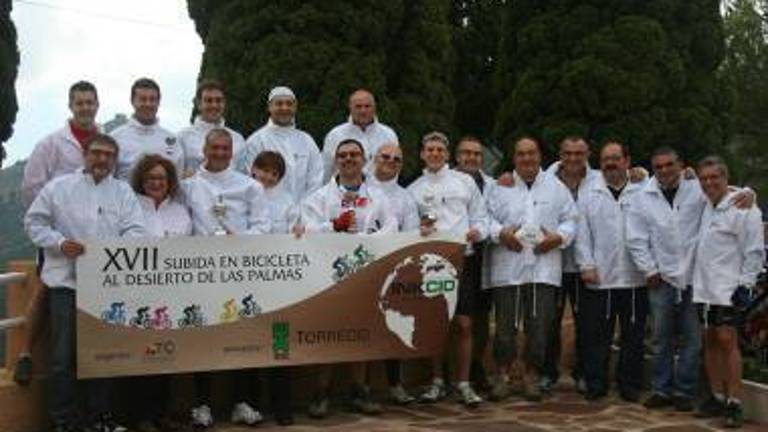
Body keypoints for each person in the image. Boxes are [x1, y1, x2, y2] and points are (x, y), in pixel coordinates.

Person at [25, 133, 146, 432]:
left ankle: (99, 418)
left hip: (107, 287)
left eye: (108, 154)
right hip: (66, 284)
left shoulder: (122, 192)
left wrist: (110, 252)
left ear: (115, 160)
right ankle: (63, 421)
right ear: (85, 155)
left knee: (102, 356)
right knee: (62, 358)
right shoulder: (59, 188)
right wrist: (59, 243)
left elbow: (135, 229)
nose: (102, 159)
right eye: (96, 153)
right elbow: (34, 222)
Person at [626, 147, 754, 412]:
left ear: (680, 165)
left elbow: (724, 190)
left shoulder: (696, 189)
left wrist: (749, 192)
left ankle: (685, 392)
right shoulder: (642, 197)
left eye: (669, 165)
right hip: (660, 278)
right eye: (658, 166)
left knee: (695, 340)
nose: (664, 170)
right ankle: (661, 390)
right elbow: (636, 238)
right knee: (661, 338)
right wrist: (649, 270)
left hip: (695, 280)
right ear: (653, 169)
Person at [181, 128, 270, 428]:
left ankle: (242, 403)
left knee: (242, 339)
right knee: (202, 340)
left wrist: (239, 239)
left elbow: (262, 227)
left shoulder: (250, 187)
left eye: (225, 148)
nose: (219, 153)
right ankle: (201, 404)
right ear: (204, 150)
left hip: (240, 273)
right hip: (201, 274)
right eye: (214, 148)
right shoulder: (188, 187)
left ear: (232, 152)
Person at [302, 139, 397, 419]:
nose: (348, 159)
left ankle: (359, 389)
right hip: (329, 276)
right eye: (342, 155)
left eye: (354, 154)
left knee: (363, 332)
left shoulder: (379, 196)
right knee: (328, 332)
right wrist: (333, 226)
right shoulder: (319, 197)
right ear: (335, 161)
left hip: (367, 271)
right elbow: (305, 229)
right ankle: (321, 391)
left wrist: (364, 241)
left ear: (364, 158)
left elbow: (391, 226)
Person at [16, 80, 100, 386]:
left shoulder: (105, 140)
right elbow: (31, 189)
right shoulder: (50, 143)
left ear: (97, 105)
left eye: (90, 102)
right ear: (70, 106)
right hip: (58, 238)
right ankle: (25, 353)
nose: (85, 108)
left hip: (92, 242)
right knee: (45, 289)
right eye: (80, 103)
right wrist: (55, 229)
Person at [485, 136, 578, 402]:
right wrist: (500, 234)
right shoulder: (499, 187)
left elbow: (571, 220)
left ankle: (531, 376)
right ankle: (501, 376)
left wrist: (558, 238)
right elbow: (484, 218)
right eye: (521, 154)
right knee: (505, 328)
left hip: (543, 268)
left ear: (539, 156)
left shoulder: (556, 188)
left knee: (539, 328)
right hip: (508, 267)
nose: (527, 158)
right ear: (514, 158)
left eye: (532, 153)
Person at [407, 132, 488, 407]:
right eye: (429, 149)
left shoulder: (464, 182)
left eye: (440, 149)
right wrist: (420, 230)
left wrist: (479, 231)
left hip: (462, 261)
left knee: (464, 324)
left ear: (447, 153)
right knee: (435, 325)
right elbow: (408, 228)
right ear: (422, 154)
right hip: (431, 266)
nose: (434, 153)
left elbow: (480, 216)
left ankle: (463, 383)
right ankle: (438, 381)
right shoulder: (414, 189)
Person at [691, 156, 764, 428]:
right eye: (704, 178)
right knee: (709, 340)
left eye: (715, 177)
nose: (709, 183)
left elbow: (754, 251)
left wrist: (744, 286)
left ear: (726, 178)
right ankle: (717, 397)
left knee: (727, 341)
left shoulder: (745, 209)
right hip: (703, 288)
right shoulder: (706, 205)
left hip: (728, 289)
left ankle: (735, 403)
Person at [574, 141, 649, 402]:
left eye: (616, 158)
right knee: (596, 336)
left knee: (633, 336)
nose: (610, 163)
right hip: (600, 278)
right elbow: (582, 235)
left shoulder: (644, 192)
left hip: (635, 278)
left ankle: (629, 384)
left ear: (627, 161)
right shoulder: (589, 195)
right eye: (606, 159)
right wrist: (586, 265)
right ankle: (596, 383)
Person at [127, 155, 191, 432]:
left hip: (170, 295)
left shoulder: (180, 211)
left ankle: (161, 413)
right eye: (151, 178)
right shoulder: (129, 208)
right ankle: (140, 416)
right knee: (140, 356)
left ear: (170, 182)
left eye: (162, 178)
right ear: (142, 180)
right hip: (137, 295)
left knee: (167, 356)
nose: (156, 183)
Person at [249, 150, 299, 426]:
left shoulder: (287, 201)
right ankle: (251, 404)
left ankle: (282, 405)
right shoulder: (241, 193)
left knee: (280, 341)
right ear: (253, 169)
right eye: (263, 170)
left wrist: (299, 232)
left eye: (274, 173)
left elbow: (295, 230)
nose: (267, 177)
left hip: (278, 282)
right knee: (248, 342)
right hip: (247, 280)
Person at [368, 142, 420, 405]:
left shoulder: (405, 197)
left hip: (392, 270)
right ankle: (361, 387)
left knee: (393, 327)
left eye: (396, 159)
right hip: (360, 269)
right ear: (374, 159)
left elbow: (410, 234)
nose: (390, 162)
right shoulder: (359, 188)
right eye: (385, 157)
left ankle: (395, 383)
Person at [452, 136, 495, 395]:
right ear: (456, 157)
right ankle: (450, 371)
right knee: (454, 316)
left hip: (485, 255)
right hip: (456, 255)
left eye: (477, 154)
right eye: (466, 153)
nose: (471, 158)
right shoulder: (446, 181)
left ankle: (476, 366)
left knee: (480, 315)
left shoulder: (494, 184)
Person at [241, 86, 323, 201]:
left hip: (303, 214)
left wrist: (303, 210)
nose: (284, 108)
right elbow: (250, 179)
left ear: (295, 107)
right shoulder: (256, 141)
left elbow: (316, 179)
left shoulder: (307, 141)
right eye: (279, 104)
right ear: (269, 107)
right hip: (266, 213)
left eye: (289, 104)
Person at [111, 78, 183, 180]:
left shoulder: (172, 140)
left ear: (158, 102)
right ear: (132, 101)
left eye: (152, 99)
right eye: (143, 99)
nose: (148, 104)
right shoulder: (116, 138)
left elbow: (177, 179)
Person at [322, 89, 398, 182]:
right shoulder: (335, 135)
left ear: (374, 107)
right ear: (350, 108)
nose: (363, 110)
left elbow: (395, 167)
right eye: (358, 106)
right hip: (345, 194)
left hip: (381, 193)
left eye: (367, 106)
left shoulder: (388, 134)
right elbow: (326, 169)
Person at [177, 79, 245, 177]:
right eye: (208, 100)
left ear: (224, 103)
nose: (214, 105)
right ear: (199, 104)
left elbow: (243, 177)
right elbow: (175, 175)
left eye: (218, 100)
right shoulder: (183, 137)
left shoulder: (238, 139)